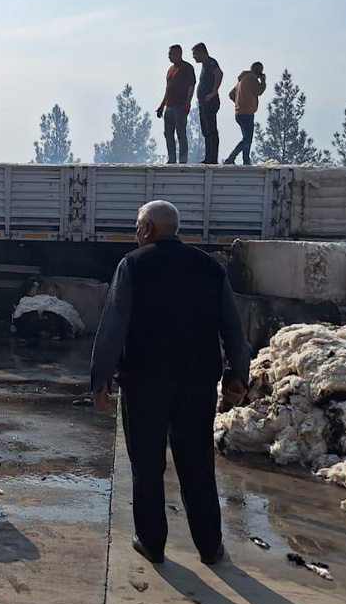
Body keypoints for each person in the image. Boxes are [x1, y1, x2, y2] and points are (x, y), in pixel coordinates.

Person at [90, 200, 250, 566]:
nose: (136, 234)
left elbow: (114, 325)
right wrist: (237, 374)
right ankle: (209, 546)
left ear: (147, 229)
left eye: (137, 227)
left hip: (144, 383)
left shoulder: (132, 265)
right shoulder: (210, 267)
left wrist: (101, 377)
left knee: (147, 465)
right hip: (197, 383)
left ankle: (152, 543)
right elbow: (232, 326)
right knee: (198, 464)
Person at [155, 45, 196, 164]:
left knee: (181, 133)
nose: (169, 56)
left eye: (170, 54)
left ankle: (183, 160)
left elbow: (191, 86)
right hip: (169, 106)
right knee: (168, 133)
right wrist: (162, 106)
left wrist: (187, 103)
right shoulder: (170, 69)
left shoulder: (187, 68)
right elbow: (168, 89)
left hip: (180, 106)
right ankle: (171, 159)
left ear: (178, 54)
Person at [224, 62, 266, 165]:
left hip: (239, 113)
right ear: (258, 71)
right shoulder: (252, 78)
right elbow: (259, 91)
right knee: (247, 139)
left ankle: (246, 159)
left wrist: (239, 102)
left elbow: (231, 94)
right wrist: (263, 81)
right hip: (247, 113)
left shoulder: (242, 79)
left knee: (246, 138)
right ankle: (231, 158)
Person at [191, 43, 225, 164]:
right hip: (202, 102)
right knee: (206, 131)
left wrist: (213, 92)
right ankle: (208, 157)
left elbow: (219, 74)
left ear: (202, 52)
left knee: (211, 130)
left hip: (210, 101)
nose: (194, 57)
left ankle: (213, 158)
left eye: (195, 54)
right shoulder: (205, 65)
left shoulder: (211, 63)